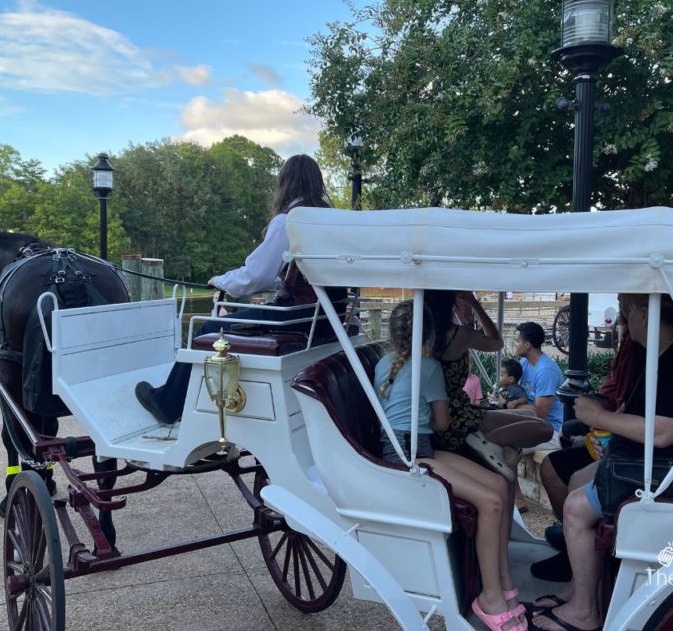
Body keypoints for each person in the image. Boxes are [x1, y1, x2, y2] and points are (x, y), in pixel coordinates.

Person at [528, 294, 673, 631]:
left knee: (575, 507)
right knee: (577, 480)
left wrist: (598, 414)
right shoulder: (669, 353)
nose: (624, 322)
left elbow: (663, 431)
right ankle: (579, 591)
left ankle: (585, 613)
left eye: (626, 313)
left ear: (645, 315)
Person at [135, 154, 336, 424]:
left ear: (286, 183)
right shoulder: (329, 220)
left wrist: (222, 281)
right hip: (328, 318)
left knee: (207, 329)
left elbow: (256, 275)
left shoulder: (289, 221)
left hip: (298, 316)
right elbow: (295, 276)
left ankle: (167, 404)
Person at [376, 301, 528, 631]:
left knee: (499, 484)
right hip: (410, 457)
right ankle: (490, 595)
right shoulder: (429, 367)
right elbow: (443, 424)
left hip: (407, 448)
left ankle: (501, 580)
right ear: (432, 334)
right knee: (491, 500)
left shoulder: (384, 364)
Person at [528, 296, 645, 584]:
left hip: (635, 451)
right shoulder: (637, 346)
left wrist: (598, 422)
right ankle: (572, 536)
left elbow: (643, 417)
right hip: (624, 435)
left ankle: (576, 548)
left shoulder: (646, 351)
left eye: (626, 301)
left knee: (562, 471)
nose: (619, 301)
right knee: (563, 450)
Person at [425, 290, 554, 479]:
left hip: (448, 414)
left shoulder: (420, 336)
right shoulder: (458, 334)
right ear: (451, 304)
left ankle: (485, 441)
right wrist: (474, 304)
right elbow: (496, 342)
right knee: (545, 429)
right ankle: (485, 441)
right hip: (458, 417)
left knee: (529, 413)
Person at [512, 322, 565, 436]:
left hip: (550, 429)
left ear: (527, 345)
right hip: (530, 421)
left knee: (503, 440)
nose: (514, 345)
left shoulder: (546, 371)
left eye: (517, 341)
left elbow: (540, 413)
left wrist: (509, 406)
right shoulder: (525, 362)